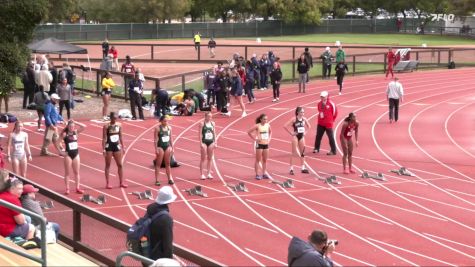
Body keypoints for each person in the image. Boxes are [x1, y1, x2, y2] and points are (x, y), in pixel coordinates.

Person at [146, 186, 176, 260]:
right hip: (157, 258)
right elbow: (167, 243)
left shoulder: (150, 209)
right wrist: (169, 261)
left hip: (146, 252)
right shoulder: (166, 218)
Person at [58, 120, 86, 194]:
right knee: (67, 173)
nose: (72, 127)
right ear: (68, 126)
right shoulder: (64, 134)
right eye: (70, 126)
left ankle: (77, 188)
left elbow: (84, 126)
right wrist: (61, 151)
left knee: (76, 172)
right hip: (68, 155)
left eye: (73, 126)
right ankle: (67, 188)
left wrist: (75, 122)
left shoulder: (75, 132)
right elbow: (57, 142)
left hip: (76, 154)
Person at [103, 112, 128, 189]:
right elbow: (104, 138)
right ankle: (107, 183)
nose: (115, 119)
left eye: (116, 118)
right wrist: (103, 149)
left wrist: (123, 147)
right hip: (109, 146)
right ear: (111, 118)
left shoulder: (119, 125)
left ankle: (121, 182)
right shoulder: (106, 126)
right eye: (114, 118)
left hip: (116, 146)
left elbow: (121, 136)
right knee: (108, 165)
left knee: (120, 164)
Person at [284, 107, 310, 175]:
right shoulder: (294, 119)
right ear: (298, 112)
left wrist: (305, 132)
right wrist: (291, 133)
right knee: (294, 153)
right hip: (295, 137)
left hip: (301, 137)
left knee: (303, 153)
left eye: (303, 112)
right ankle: (291, 169)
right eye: (301, 112)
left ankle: (303, 168)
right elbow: (285, 126)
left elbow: (309, 126)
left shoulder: (304, 119)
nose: (303, 113)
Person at [248, 114, 272, 180]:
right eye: (264, 119)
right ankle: (257, 174)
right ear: (261, 119)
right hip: (259, 144)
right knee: (258, 160)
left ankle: (264, 173)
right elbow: (249, 132)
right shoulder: (257, 126)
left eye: (266, 119)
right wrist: (255, 139)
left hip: (266, 144)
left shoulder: (268, 125)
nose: (265, 120)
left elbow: (270, 132)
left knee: (265, 160)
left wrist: (269, 139)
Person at [313, 91, 338, 155]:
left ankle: (333, 150)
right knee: (318, 136)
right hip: (320, 123)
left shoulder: (331, 104)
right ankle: (316, 148)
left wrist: (332, 120)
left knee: (331, 137)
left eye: (323, 97)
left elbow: (335, 113)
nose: (322, 98)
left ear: (327, 96)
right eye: (321, 97)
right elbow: (319, 110)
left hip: (328, 124)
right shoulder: (319, 104)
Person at [154, 116, 175, 186]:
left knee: (168, 164)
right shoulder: (157, 128)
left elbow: (171, 138)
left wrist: (173, 147)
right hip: (160, 147)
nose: (166, 122)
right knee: (158, 164)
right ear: (161, 121)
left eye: (167, 121)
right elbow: (155, 139)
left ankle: (169, 179)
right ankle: (157, 180)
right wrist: (156, 149)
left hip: (167, 146)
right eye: (165, 121)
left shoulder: (169, 128)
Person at [199, 112, 217, 180]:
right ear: (205, 116)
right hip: (204, 142)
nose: (210, 118)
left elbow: (214, 133)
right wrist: (200, 143)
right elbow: (200, 134)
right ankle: (202, 174)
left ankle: (208, 173)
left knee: (210, 158)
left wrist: (215, 142)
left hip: (211, 142)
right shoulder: (202, 123)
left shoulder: (213, 123)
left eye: (211, 117)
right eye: (209, 116)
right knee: (203, 158)